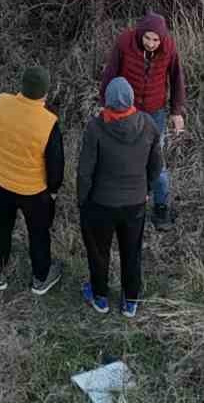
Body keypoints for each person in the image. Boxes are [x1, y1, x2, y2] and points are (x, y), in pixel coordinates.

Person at [78, 76, 162, 318]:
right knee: (132, 251)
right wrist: (146, 190)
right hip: (135, 204)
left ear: (107, 101)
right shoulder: (147, 124)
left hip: (101, 204)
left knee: (99, 251)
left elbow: (85, 171)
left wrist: (82, 200)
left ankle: (100, 297)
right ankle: (130, 301)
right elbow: (156, 166)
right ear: (132, 100)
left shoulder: (96, 127)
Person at [0, 65, 63, 295]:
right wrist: (53, 190)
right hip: (34, 191)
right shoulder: (48, 122)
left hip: (0, 181)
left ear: (22, 86)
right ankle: (41, 278)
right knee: (38, 233)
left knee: (0, 227)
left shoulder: (1, 102)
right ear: (46, 92)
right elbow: (56, 165)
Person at [100, 11, 186, 229]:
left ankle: (161, 208)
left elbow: (177, 79)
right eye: (147, 38)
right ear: (140, 34)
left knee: (155, 160)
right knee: (123, 156)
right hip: (127, 111)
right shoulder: (125, 42)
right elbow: (110, 73)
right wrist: (106, 105)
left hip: (155, 112)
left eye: (156, 40)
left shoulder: (169, 48)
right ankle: (125, 204)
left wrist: (176, 112)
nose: (151, 43)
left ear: (162, 39)